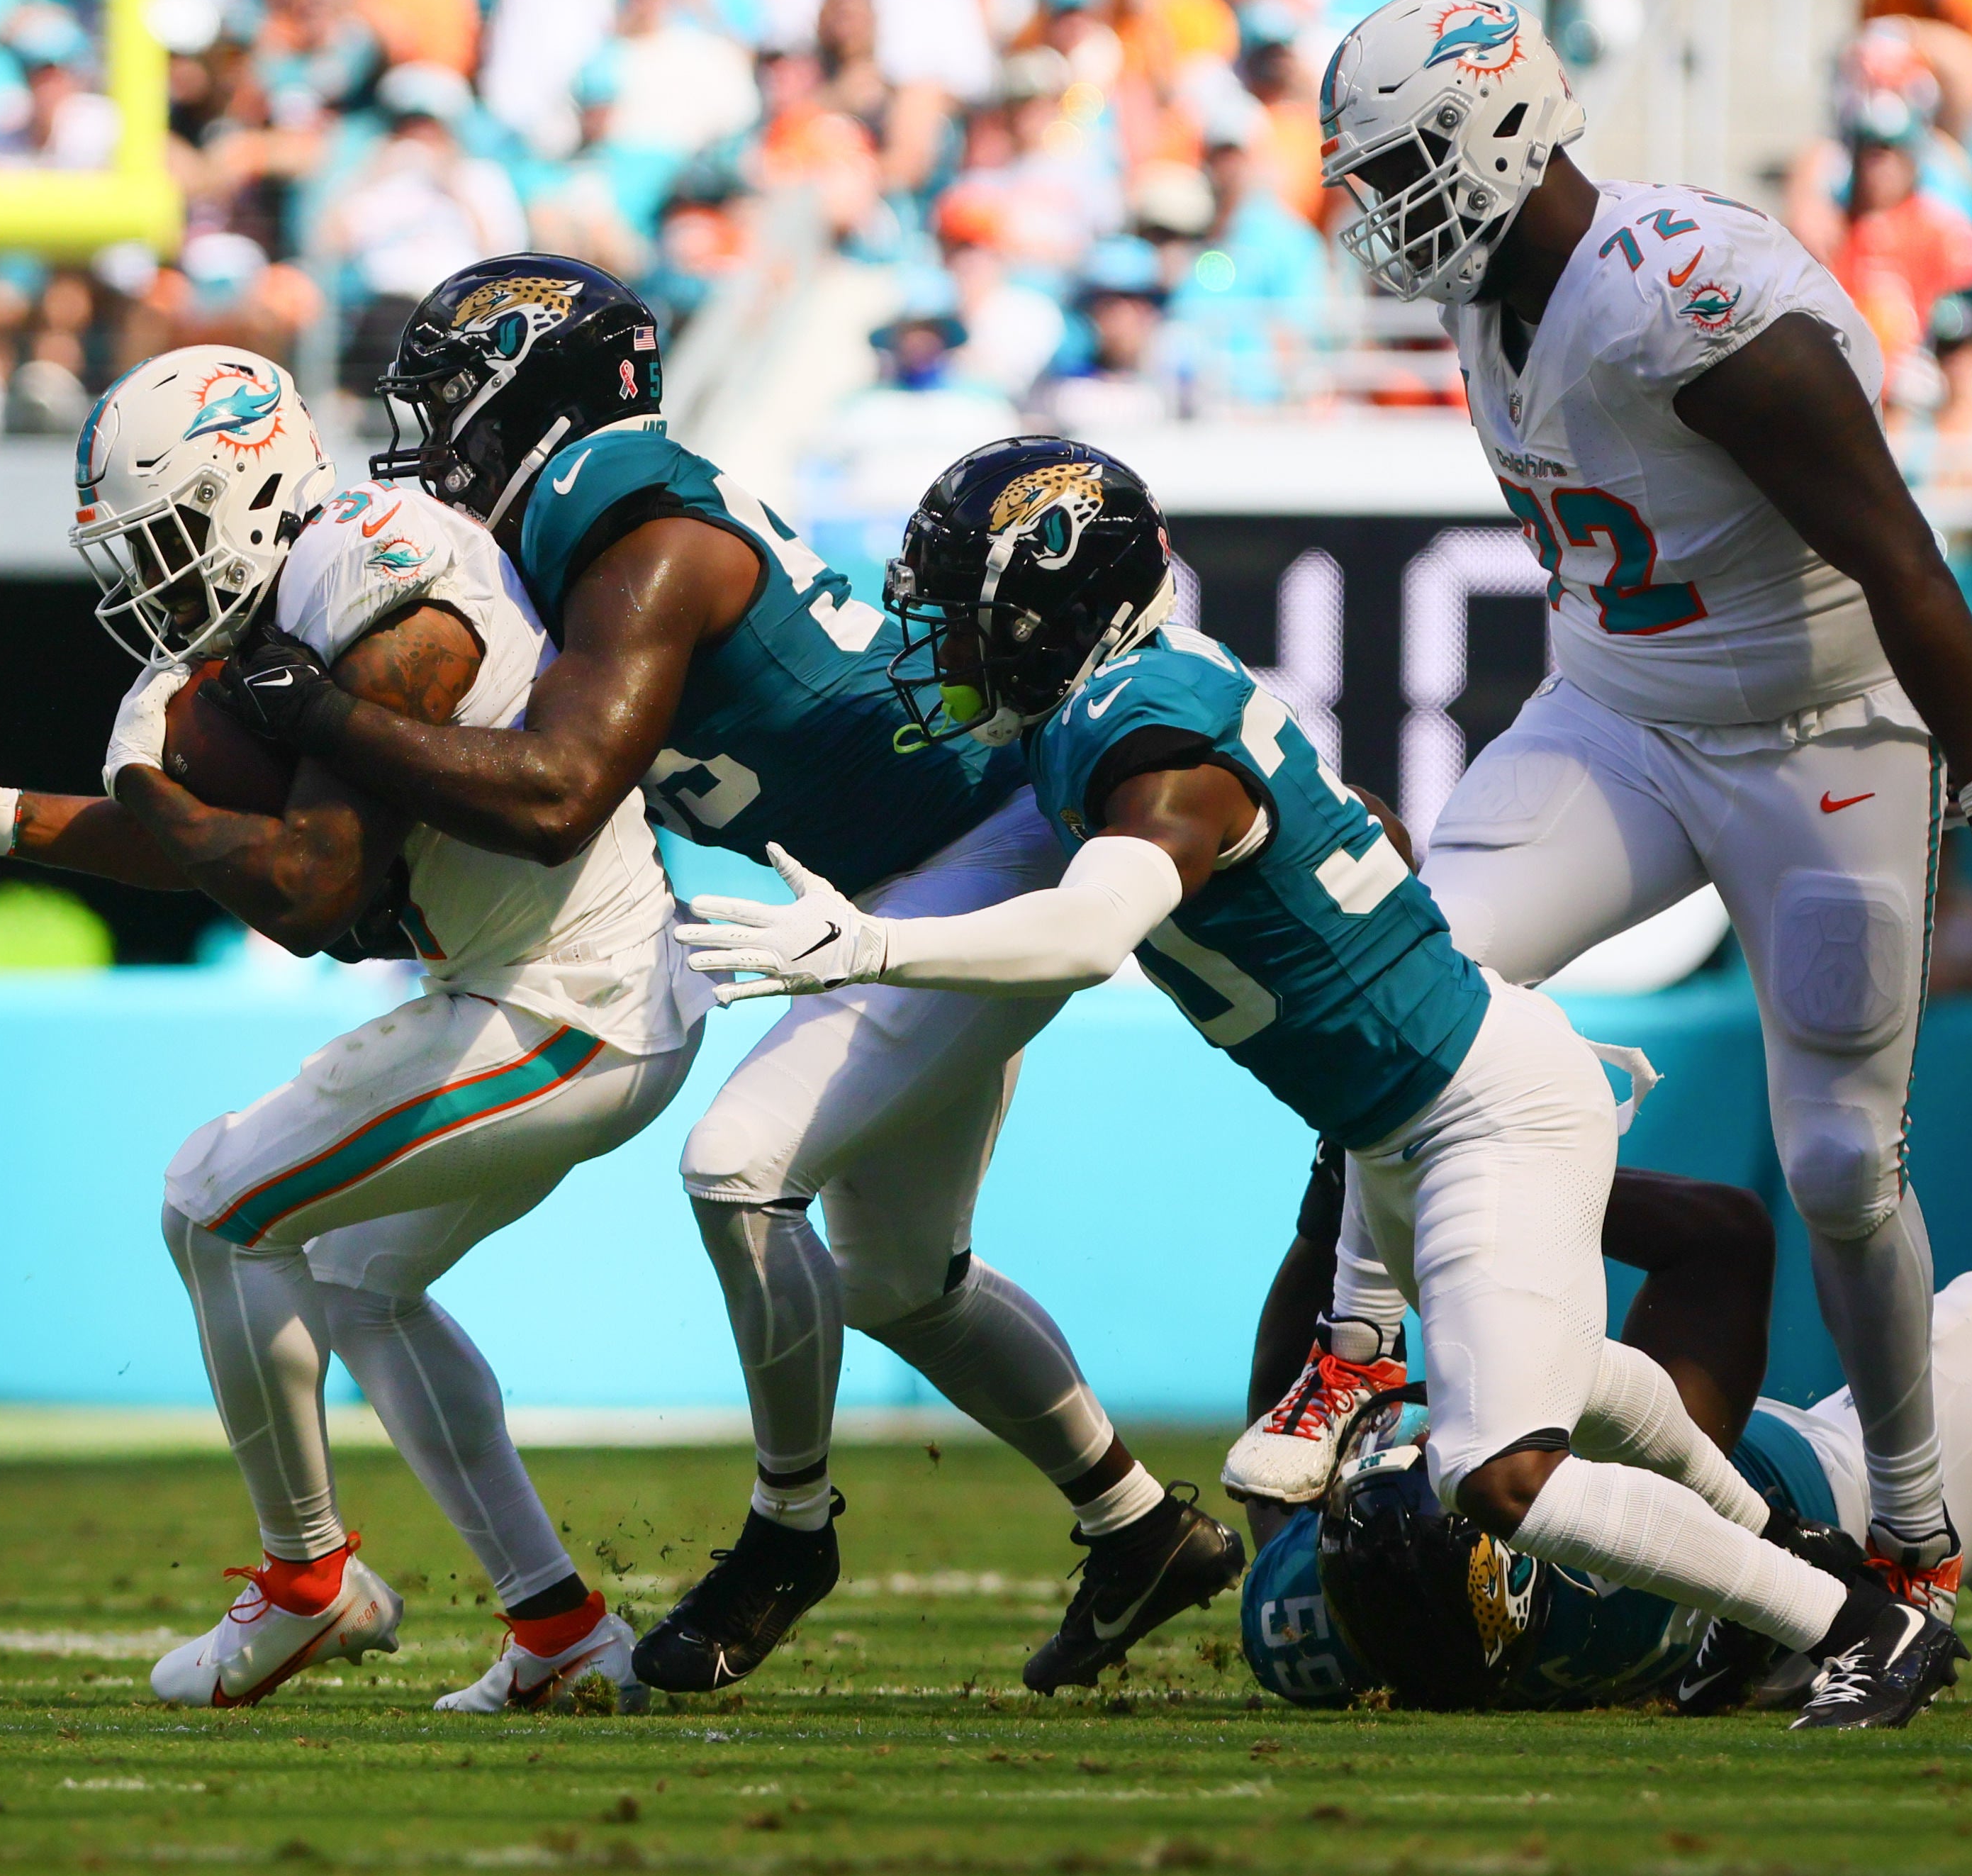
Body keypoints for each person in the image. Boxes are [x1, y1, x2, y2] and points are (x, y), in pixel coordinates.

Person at [677, 435, 1965, 1731]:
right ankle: (1791, 1554)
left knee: (1498, 1474)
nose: (936, 643)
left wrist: (871, 943)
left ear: (1048, 617)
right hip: (1405, 1122)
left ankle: (1856, 1622)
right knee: (1562, 1378)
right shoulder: (1135, 703)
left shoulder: (1150, 739)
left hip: (1473, 1108)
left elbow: (1085, 932)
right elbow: (1371, 830)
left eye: (962, 617)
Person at [1257, 0, 1972, 1617]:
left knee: (1837, 1162)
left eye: (1401, 167)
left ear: (1496, 130)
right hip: (1619, 711)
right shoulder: (1491, 303)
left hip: (1824, 739)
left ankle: (1910, 1528)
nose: (1383, 213)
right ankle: (1357, 1351)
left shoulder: (1682, 298)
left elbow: (1894, 545)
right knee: (1412, 979)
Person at [209, 257, 1219, 1699]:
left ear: (531, 401)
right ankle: (1133, 1525)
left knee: (738, 1168)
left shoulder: (632, 525)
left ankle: (784, 1532)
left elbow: (558, 787)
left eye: (451, 400)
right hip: (890, 865)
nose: (433, 434)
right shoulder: (560, 529)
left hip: (966, 844)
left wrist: (312, 711)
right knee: (895, 1276)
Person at [0, 347, 695, 1714]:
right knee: (359, 1279)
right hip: (530, 985)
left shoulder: (382, 579)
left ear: (252, 484)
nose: (152, 581)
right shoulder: (311, 585)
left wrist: (140, 780)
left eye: (173, 535)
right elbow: (248, 846)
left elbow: (308, 889)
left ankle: (307, 1583)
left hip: (569, 999)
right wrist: (18, 819)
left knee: (214, 1199)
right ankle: (558, 1630)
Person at [1242, 1169, 1972, 1712]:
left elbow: (1280, 1448)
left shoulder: (1320, 1622)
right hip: (1859, 1521)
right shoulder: (1620, 1493)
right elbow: (1722, 1237)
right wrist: (1477, 1186)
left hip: (1773, 1629)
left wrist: (1334, 1206)